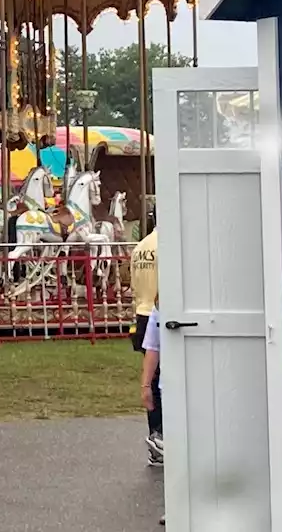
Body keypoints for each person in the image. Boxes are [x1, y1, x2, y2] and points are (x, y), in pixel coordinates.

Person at [131, 222, 161, 465]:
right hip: (159, 310)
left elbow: (133, 283)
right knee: (163, 380)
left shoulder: (140, 247)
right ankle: (161, 435)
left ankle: (155, 435)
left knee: (151, 377)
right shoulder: (167, 246)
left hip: (142, 311)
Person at [141, 302, 164, 527]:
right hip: (169, 387)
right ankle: (176, 505)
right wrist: (146, 385)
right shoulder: (159, 307)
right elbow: (152, 348)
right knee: (178, 456)